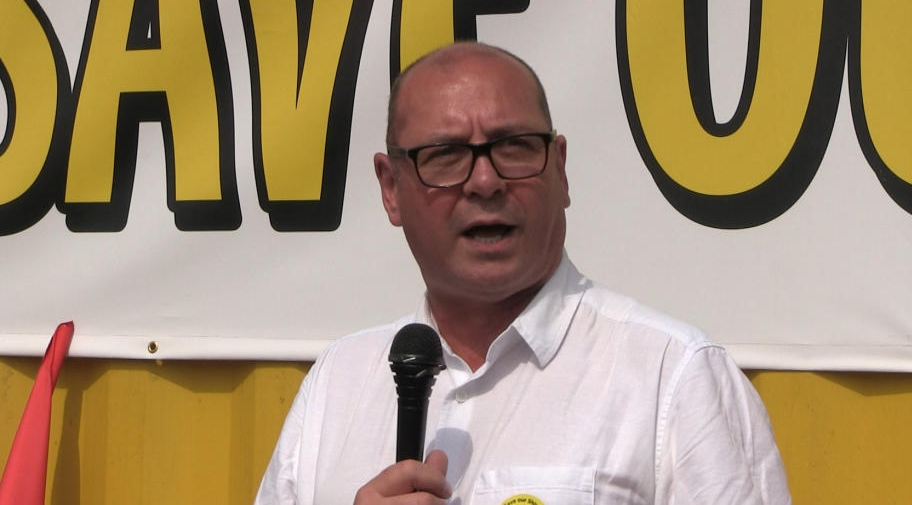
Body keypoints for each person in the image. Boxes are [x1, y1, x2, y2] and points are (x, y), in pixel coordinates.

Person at [254, 42, 791, 504]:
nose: (485, 181)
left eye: (513, 148)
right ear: (391, 188)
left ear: (559, 169)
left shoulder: (670, 376)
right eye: (445, 155)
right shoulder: (338, 383)